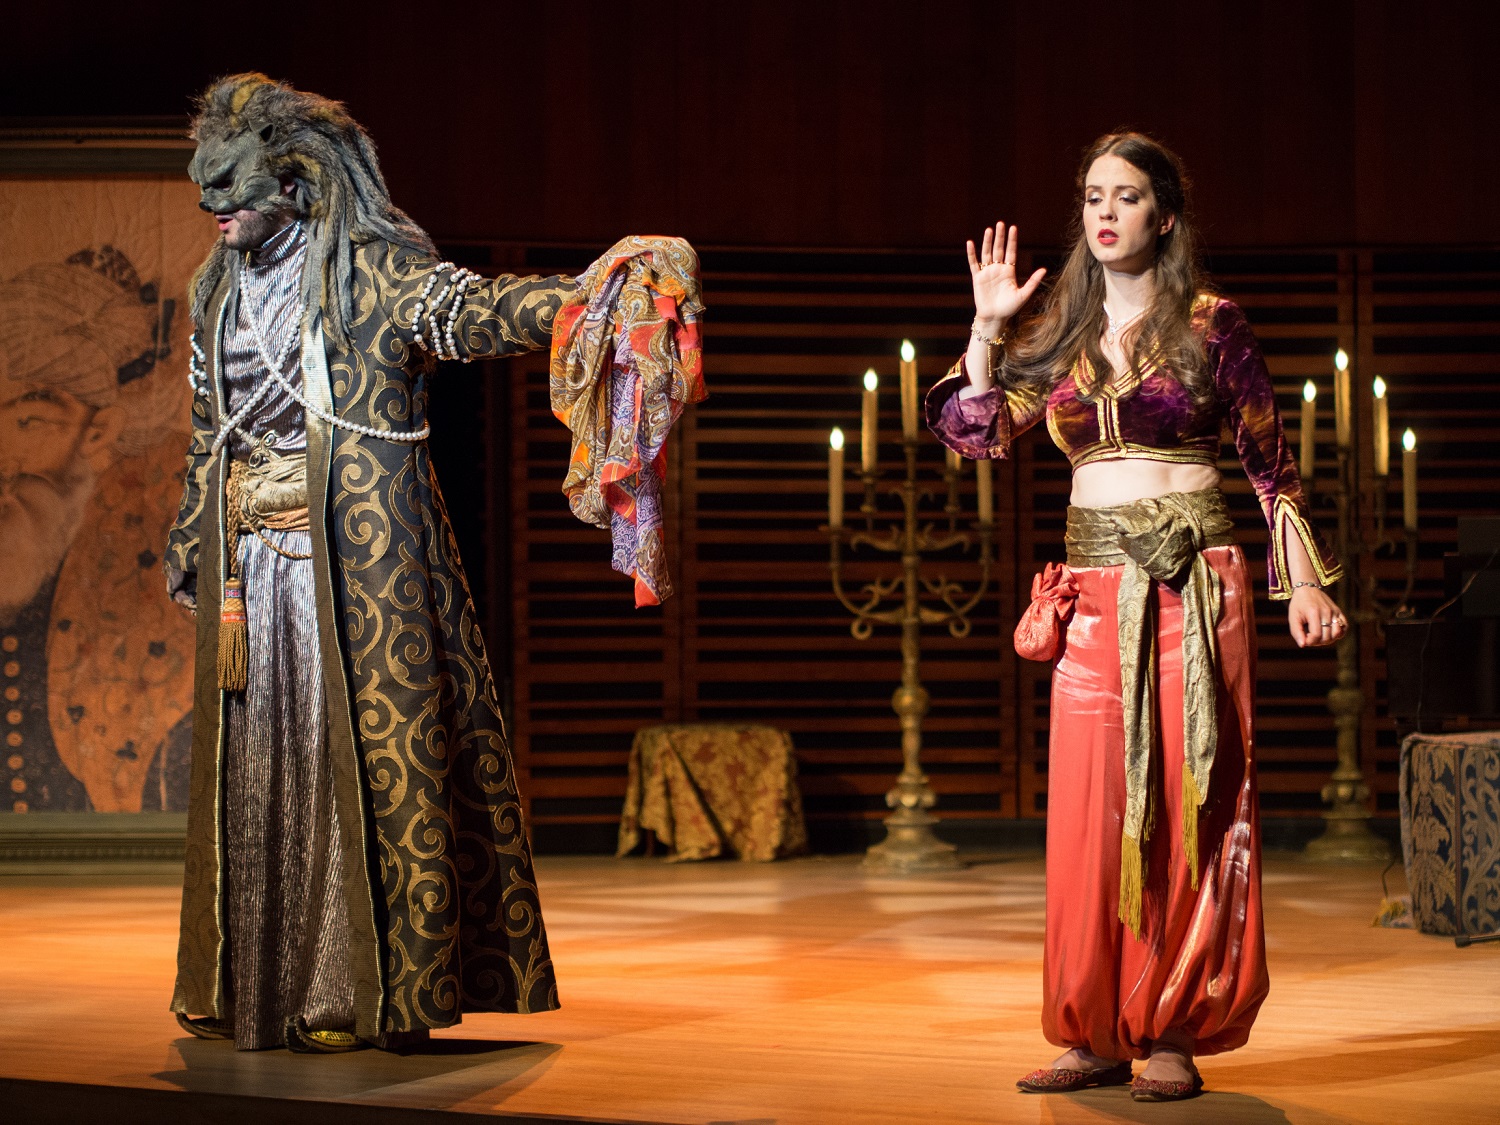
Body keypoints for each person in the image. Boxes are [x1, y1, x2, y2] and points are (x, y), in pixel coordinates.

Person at [166, 73, 700, 1052]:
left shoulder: (369, 273)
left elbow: (477, 311)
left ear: (293, 182)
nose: (213, 210)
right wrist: (190, 539)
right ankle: (252, 987)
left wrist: (595, 294)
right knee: (258, 769)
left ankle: (343, 991)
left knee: (343, 769)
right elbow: (210, 427)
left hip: (352, 563)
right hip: (251, 568)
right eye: (205, 191)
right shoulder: (215, 291)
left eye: (230, 190)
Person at [926, 132, 1344, 1102]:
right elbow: (973, 432)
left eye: (1126, 195)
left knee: (1195, 799)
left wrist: (1305, 583)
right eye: (1092, 196)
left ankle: (1176, 1026)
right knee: (1091, 812)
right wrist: (986, 329)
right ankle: (1096, 1027)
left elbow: (1270, 465)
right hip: (1094, 595)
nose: (1105, 212)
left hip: (1195, 588)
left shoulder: (1212, 323)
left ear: (1165, 215)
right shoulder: (1059, 335)